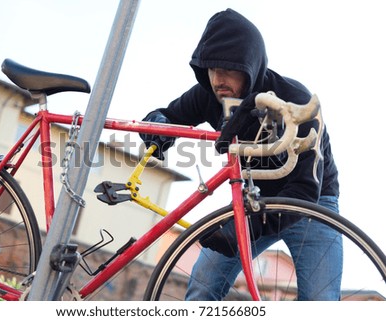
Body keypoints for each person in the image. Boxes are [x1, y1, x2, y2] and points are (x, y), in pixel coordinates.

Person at [139, 8, 341, 300]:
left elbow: (306, 189)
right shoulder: (209, 93)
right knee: (203, 284)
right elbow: (166, 115)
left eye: (228, 69)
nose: (218, 79)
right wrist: (157, 126)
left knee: (321, 301)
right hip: (253, 200)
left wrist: (245, 227)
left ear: (250, 66)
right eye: (210, 68)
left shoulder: (294, 100)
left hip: (311, 202)